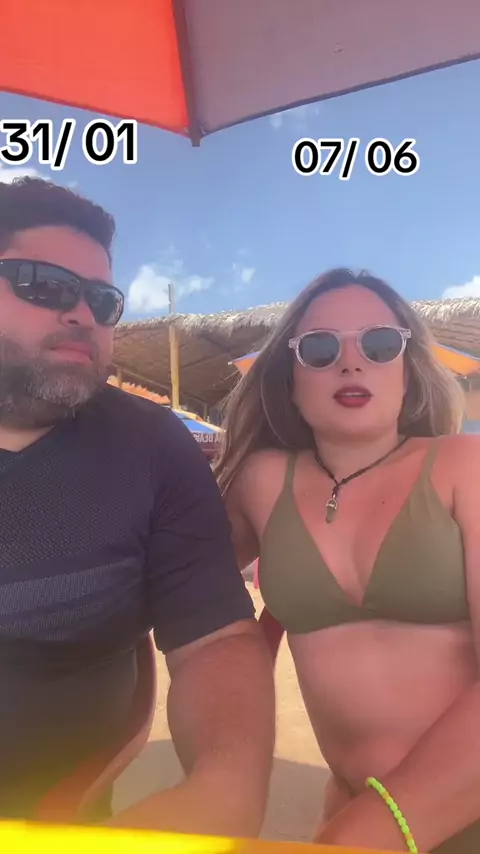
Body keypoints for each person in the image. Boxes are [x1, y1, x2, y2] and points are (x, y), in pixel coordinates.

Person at [0, 178, 275, 836]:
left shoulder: (149, 444)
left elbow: (216, 637)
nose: (82, 314)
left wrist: (226, 784)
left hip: (58, 823)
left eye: (102, 300)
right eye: (44, 285)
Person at [215, 267, 480, 853]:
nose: (351, 364)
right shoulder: (260, 483)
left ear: (407, 374)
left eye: (380, 345)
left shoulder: (466, 466)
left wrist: (371, 832)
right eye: (321, 348)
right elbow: (170, 582)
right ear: (290, 382)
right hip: (354, 820)